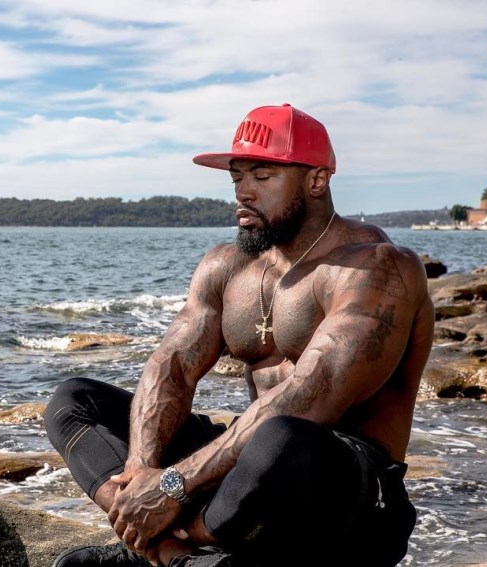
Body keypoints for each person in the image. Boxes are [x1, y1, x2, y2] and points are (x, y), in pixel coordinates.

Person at [45, 103, 434, 566]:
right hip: (249, 482)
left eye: (262, 176)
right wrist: (142, 474)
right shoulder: (228, 265)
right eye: (237, 178)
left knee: (282, 437)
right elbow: (171, 367)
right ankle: (162, 543)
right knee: (75, 401)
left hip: (349, 495)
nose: (243, 193)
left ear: (316, 180)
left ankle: (179, 545)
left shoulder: (376, 267)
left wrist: (173, 488)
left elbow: (309, 399)